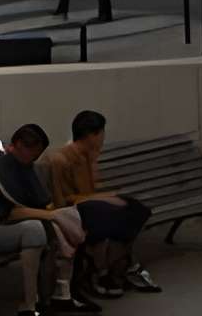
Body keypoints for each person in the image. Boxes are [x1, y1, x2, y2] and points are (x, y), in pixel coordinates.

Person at [0, 123, 90, 314]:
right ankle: (29, 304)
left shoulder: (21, 162)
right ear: (18, 145)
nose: (33, 160)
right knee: (34, 230)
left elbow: (40, 201)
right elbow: (10, 212)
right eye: (32, 154)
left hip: (2, 224)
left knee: (60, 220)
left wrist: (57, 216)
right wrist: (53, 216)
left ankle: (60, 293)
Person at [39, 109, 157, 295]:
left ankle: (116, 266)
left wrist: (98, 180)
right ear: (91, 135)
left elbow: (90, 190)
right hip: (73, 211)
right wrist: (103, 198)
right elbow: (64, 200)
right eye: (101, 133)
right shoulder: (60, 160)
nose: (103, 138)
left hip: (90, 205)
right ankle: (104, 271)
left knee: (136, 208)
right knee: (112, 215)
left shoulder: (87, 156)